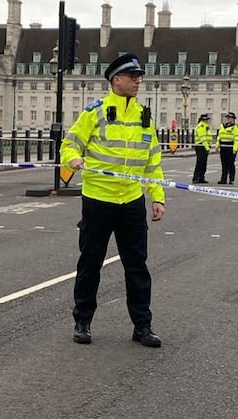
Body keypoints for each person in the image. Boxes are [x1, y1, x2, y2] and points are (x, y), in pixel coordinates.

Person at [60, 53, 166, 348]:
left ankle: (142, 326)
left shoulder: (144, 117)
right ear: (115, 80)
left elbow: (152, 163)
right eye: (132, 76)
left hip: (131, 201)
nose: (137, 81)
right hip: (98, 198)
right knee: (91, 262)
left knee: (137, 266)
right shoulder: (94, 112)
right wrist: (73, 158)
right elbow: (69, 144)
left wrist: (157, 197)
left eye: (139, 77)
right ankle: (83, 321)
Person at [216, 111, 238, 185]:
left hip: (231, 147)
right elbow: (219, 137)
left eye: (230, 118)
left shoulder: (236, 127)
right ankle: (223, 179)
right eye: (227, 118)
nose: (228, 119)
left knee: (230, 164)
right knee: (224, 164)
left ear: (233, 119)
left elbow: (237, 139)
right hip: (223, 147)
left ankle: (231, 179)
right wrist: (217, 146)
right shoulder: (223, 126)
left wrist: (235, 149)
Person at [192, 113, 212, 184]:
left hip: (204, 146)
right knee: (200, 162)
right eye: (206, 120)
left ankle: (201, 177)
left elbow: (208, 137)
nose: (207, 121)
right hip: (201, 146)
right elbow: (203, 138)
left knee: (204, 163)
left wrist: (209, 145)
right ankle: (196, 177)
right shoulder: (201, 126)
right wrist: (207, 147)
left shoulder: (206, 126)